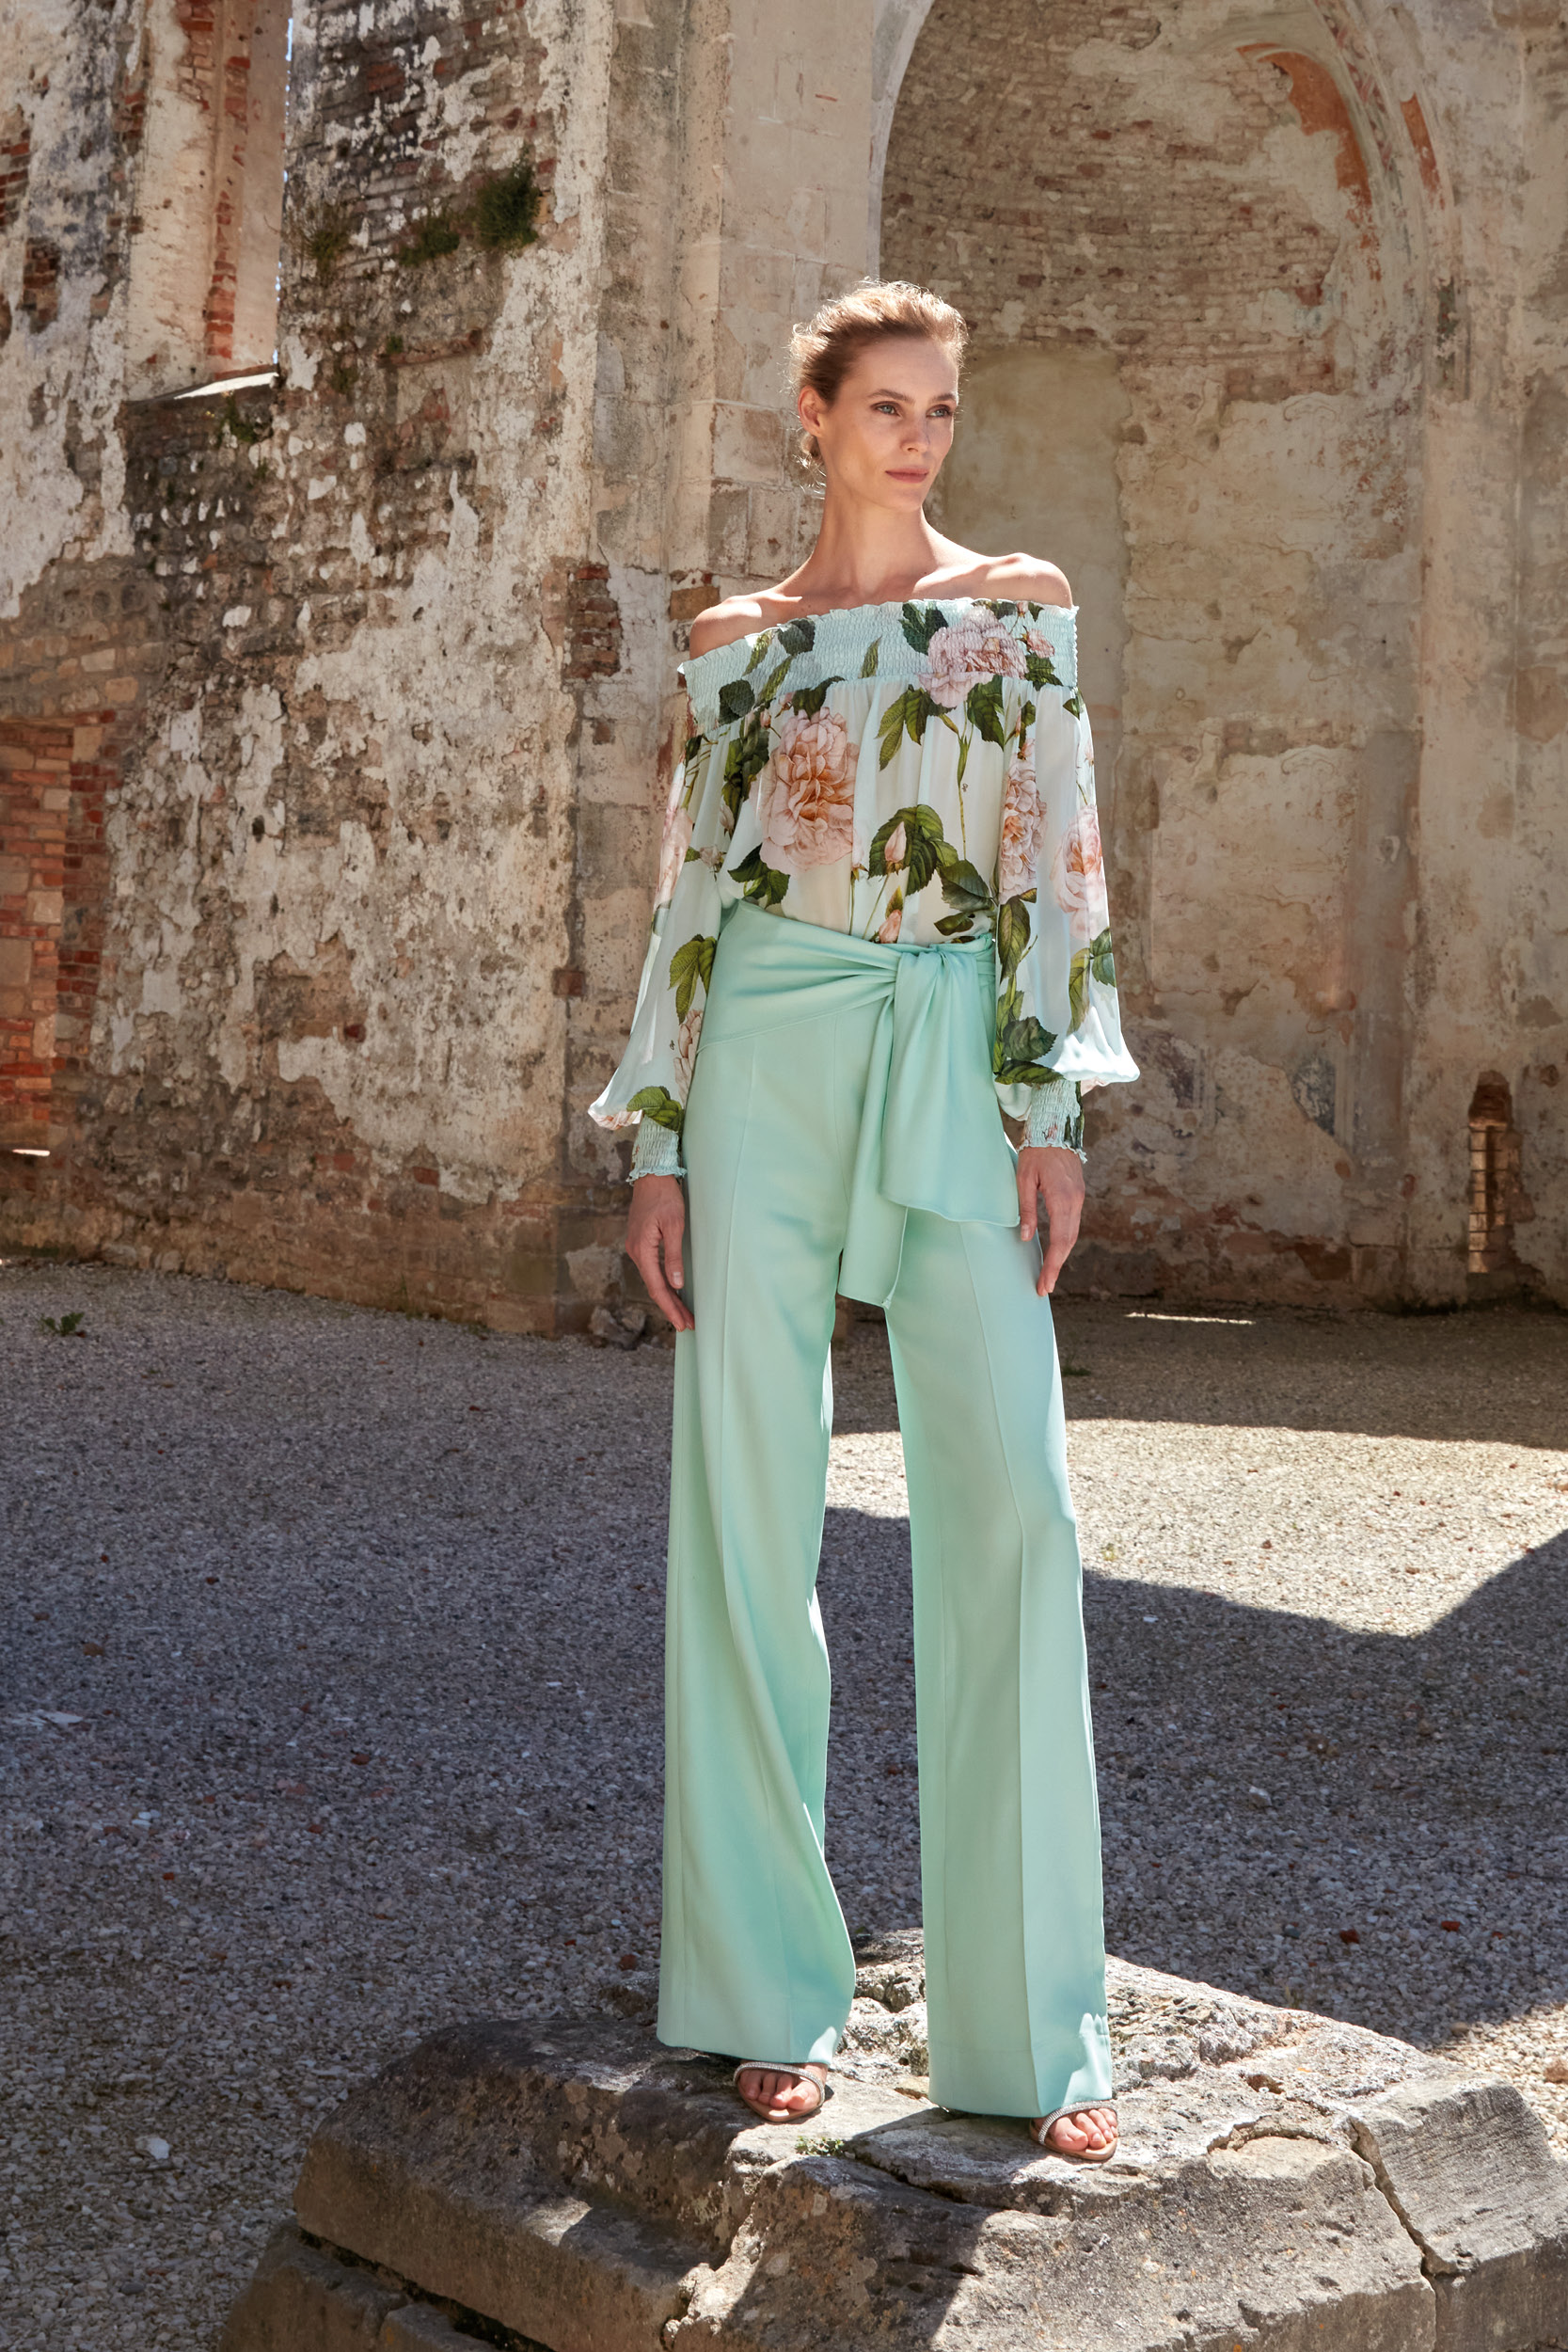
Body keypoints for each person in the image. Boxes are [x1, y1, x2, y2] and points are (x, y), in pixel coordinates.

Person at [591, 281, 1137, 2160]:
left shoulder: (1022, 604)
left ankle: (1029, 2032)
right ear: (814, 416)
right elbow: (689, 892)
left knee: (1017, 1501)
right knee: (748, 1499)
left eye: (941, 409)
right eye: (886, 405)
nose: (918, 437)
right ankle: (760, 1991)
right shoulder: (735, 641)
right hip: (762, 1043)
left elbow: (1057, 860)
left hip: (953, 1042)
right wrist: (658, 1142)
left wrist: (1048, 1106)